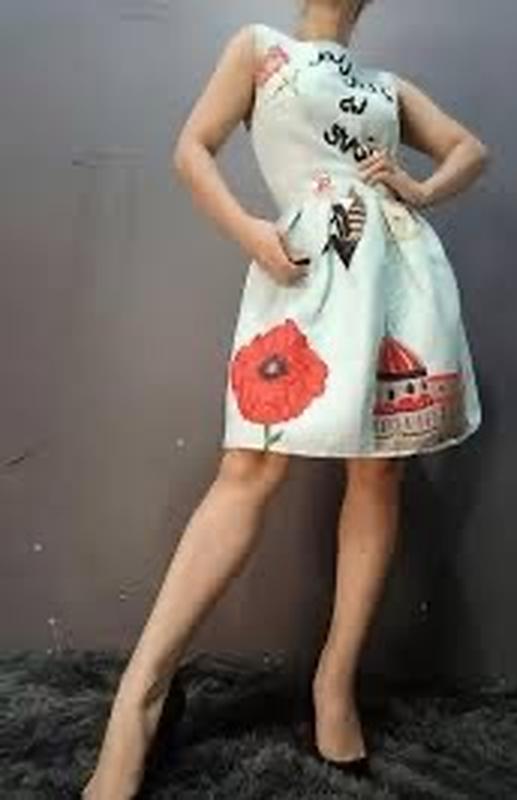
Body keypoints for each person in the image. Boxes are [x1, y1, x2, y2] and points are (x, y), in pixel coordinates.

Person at [82, 0, 489, 796]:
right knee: (249, 467)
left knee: (379, 471)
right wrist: (248, 230)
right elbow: (191, 149)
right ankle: (141, 697)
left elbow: (472, 150)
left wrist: (420, 188)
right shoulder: (259, 50)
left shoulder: (387, 86)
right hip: (301, 268)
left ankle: (334, 683)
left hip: (400, 280)